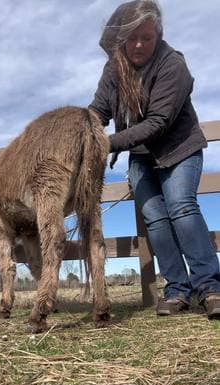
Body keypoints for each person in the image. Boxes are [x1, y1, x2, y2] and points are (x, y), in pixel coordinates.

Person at [89, 0, 220, 318]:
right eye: (132, 37)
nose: (138, 44)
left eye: (147, 37)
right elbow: (99, 110)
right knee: (155, 219)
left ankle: (211, 287)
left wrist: (103, 144)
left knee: (181, 207)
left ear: (157, 36)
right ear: (121, 37)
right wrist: (83, 131)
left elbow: (157, 122)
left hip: (179, 149)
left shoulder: (172, 64)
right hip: (141, 156)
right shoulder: (114, 69)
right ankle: (177, 290)